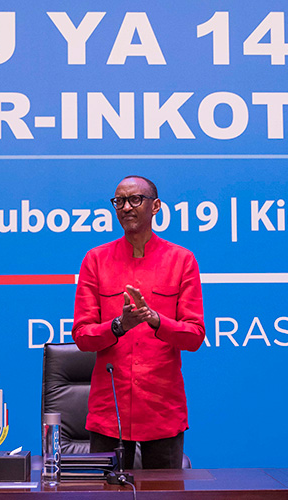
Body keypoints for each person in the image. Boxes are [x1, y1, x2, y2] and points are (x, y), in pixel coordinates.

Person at [72, 176, 205, 469]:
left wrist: (157, 321)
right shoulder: (95, 260)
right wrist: (118, 326)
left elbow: (194, 336)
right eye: (119, 201)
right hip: (110, 411)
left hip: (161, 409)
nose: (126, 207)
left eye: (136, 200)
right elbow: (82, 336)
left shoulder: (182, 260)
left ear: (155, 206)